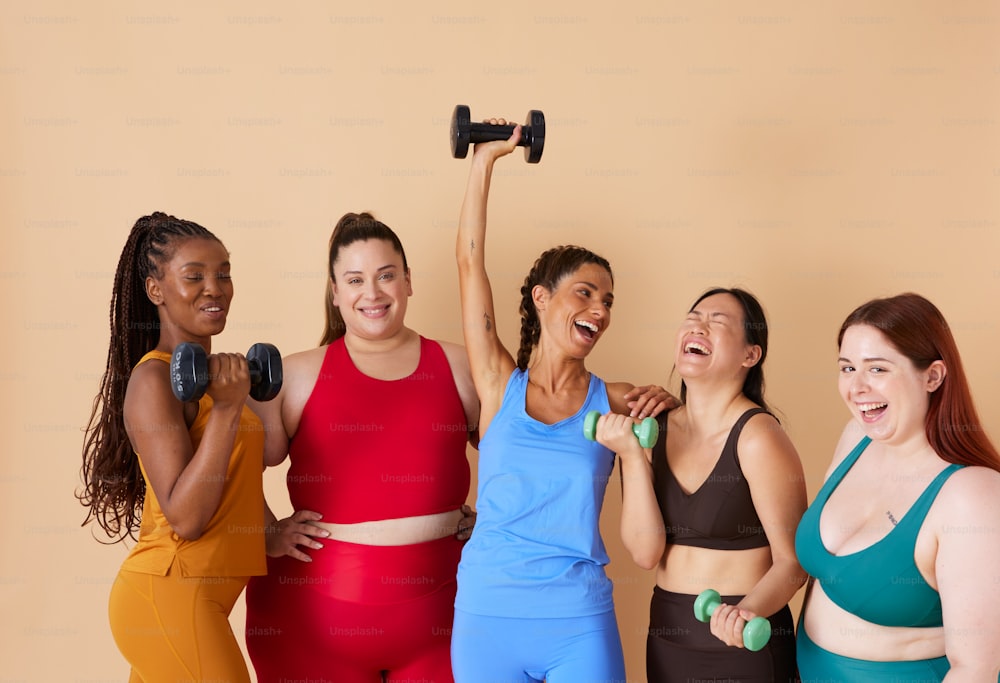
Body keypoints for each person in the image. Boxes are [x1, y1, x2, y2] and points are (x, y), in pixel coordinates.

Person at [449, 120, 673, 683]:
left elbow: (691, 435)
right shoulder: (500, 385)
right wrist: (484, 163)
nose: (600, 309)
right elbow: (469, 265)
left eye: (608, 301)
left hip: (577, 617)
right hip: (487, 614)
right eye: (586, 293)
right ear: (542, 299)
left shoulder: (617, 399)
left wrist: (671, 401)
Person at [244, 212, 480, 683]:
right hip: (312, 624)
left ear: (408, 281)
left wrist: (494, 517)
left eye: (386, 275)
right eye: (355, 280)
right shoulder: (295, 374)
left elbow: (521, 451)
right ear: (335, 293)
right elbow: (233, 470)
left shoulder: (460, 365)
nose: (371, 294)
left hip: (446, 619)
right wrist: (267, 531)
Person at [78, 212, 266, 682]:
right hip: (169, 594)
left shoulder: (218, 376)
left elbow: (232, 473)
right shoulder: (154, 380)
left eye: (224, 272)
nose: (215, 287)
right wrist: (225, 410)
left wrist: (273, 530)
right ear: (155, 290)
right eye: (194, 276)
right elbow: (186, 516)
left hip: (200, 599)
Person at [795, 292, 1000, 681]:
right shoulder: (856, 438)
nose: (856, 388)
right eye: (847, 368)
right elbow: (824, 575)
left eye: (877, 369)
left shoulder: (972, 496)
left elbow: (976, 668)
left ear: (933, 376)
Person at [604, 287, 806, 682]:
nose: (699, 326)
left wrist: (745, 613)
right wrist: (630, 455)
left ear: (751, 355)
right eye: (694, 317)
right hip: (668, 637)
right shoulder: (651, 431)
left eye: (718, 321)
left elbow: (794, 563)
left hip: (744, 637)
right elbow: (645, 554)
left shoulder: (758, 437)